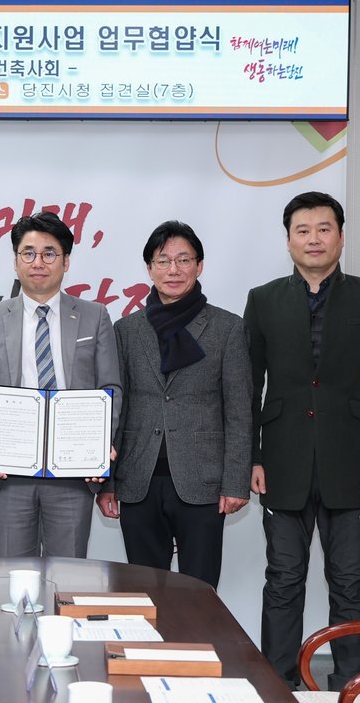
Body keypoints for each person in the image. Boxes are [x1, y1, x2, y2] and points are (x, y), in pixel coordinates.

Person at [244, 191, 360, 691]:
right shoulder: (263, 299)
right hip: (282, 462)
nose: (313, 239)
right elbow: (248, 386)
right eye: (303, 230)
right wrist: (251, 456)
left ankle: (351, 684)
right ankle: (278, 682)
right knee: (283, 578)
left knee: (349, 582)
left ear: (340, 235)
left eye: (323, 228)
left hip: (353, 464)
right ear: (288, 239)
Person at [95, 221, 251, 588]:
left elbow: (240, 411)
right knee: (145, 590)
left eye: (184, 260)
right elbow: (116, 409)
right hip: (139, 479)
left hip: (203, 481)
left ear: (199, 265)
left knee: (200, 591)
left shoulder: (227, 328)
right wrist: (107, 482)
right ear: (149, 269)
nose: (174, 270)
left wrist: (236, 482)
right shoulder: (126, 330)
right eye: (163, 261)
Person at [0, 211, 121, 557]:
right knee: (12, 576)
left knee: (68, 575)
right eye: (28, 253)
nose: (38, 262)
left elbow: (110, 389)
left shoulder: (95, 316)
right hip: (9, 473)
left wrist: (98, 445)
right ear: (16, 261)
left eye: (49, 253)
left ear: (66, 262)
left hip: (72, 473)